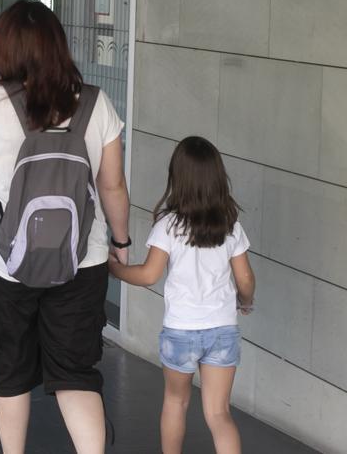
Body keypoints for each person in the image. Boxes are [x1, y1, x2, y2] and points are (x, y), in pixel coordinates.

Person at [0, 0, 131, 454]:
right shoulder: (97, 104)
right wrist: (120, 240)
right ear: (59, 44)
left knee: (11, 370)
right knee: (76, 372)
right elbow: (112, 186)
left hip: (6, 260)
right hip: (83, 258)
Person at [109, 136, 256, 454]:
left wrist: (115, 269)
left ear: (178, 177)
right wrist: (245, 302)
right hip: (222, 329)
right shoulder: (230, 225)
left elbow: (149, 274)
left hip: (181, 331)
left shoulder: (169, 225)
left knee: (176, 403)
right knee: (219, 414)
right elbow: (245, 278)